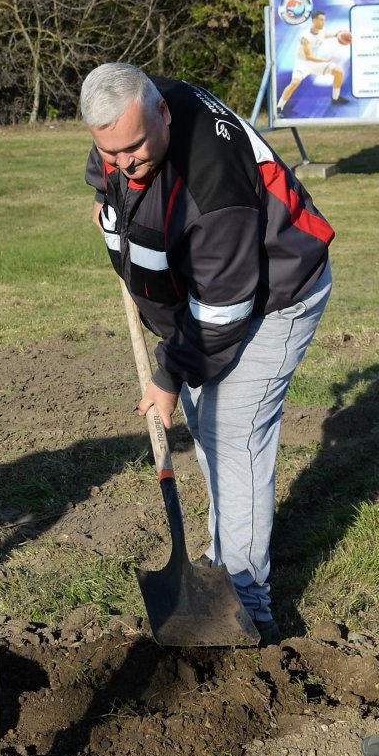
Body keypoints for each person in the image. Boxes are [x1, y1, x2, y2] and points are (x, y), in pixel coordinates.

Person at [80, 62, 335, 631]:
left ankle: (246, 597)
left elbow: (222, 313)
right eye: (110, 151)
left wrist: (169, 376)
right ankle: (226, 562)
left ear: (163, 114)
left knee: (233, 429)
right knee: (210, 421)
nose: (125, 163)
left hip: (275, 294)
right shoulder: (132, 121)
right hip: (208, 299)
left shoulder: (212, 183)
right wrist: (108, 199)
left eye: (135, 148)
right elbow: (108, 179)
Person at [274, 11, 351, 113]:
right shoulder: (305, 37)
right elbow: (309, 56)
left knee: (338, 72)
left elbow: (324, 35)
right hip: (302, 64)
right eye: (321, 20)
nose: (323, 22)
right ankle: (279, 107)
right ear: (314, 20)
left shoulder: (321, 30)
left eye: (324, 20)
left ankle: (335, 99)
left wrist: (337, 35)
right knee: (294, 83)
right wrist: (325, 60)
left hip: (315, 64)